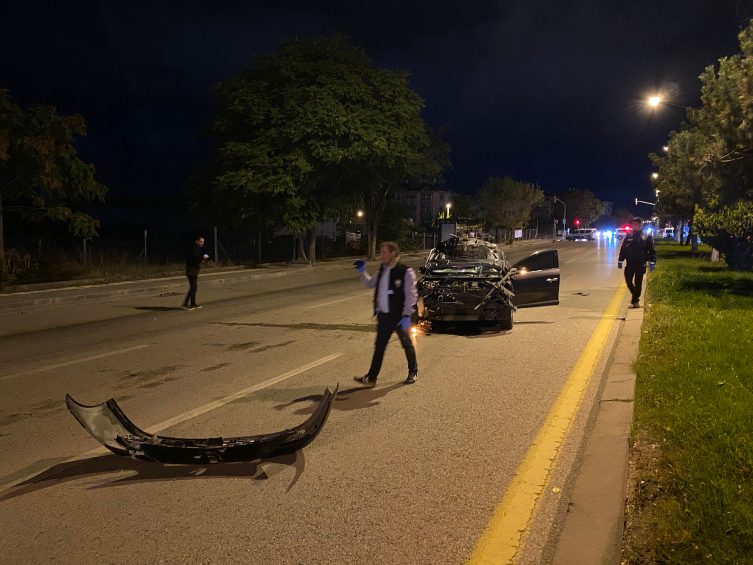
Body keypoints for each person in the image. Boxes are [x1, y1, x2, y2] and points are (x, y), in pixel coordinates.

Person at [353, 241, 418, 386]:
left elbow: (411, 295)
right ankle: (371, 378)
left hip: (400, 317)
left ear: (392, 254)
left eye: (384, 252)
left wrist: (407, 315)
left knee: (407, 344)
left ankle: (412, 372)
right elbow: (371, 283)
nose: (381, 255)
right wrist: (362, 271)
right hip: (384, 317)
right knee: (380, 346)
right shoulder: (382, 270)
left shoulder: (405, 271)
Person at [618, 217, 657, 308]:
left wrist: (652, 262)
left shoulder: (646, 236)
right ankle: (635, 295)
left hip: (640, 263)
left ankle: (635, 300)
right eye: (632, 224)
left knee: (638, 282)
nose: (633, 226)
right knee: (628, 281)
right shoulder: (629, 235)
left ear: (640, 225)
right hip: (630, 263)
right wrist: (620, 259)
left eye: (635, 224)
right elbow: (624, 249)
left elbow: (652, 250)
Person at [182, 236, 209, 310]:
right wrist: (203, 258)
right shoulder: (194, 248)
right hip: (192, 270)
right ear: (196, 241)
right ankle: (190, 303)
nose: (202, 243)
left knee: (193, 287)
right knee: (194, 287)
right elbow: (197, 258)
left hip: (193, 270)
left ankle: (189, 303)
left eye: (203, 242)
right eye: (201, 242)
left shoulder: (195, 248)